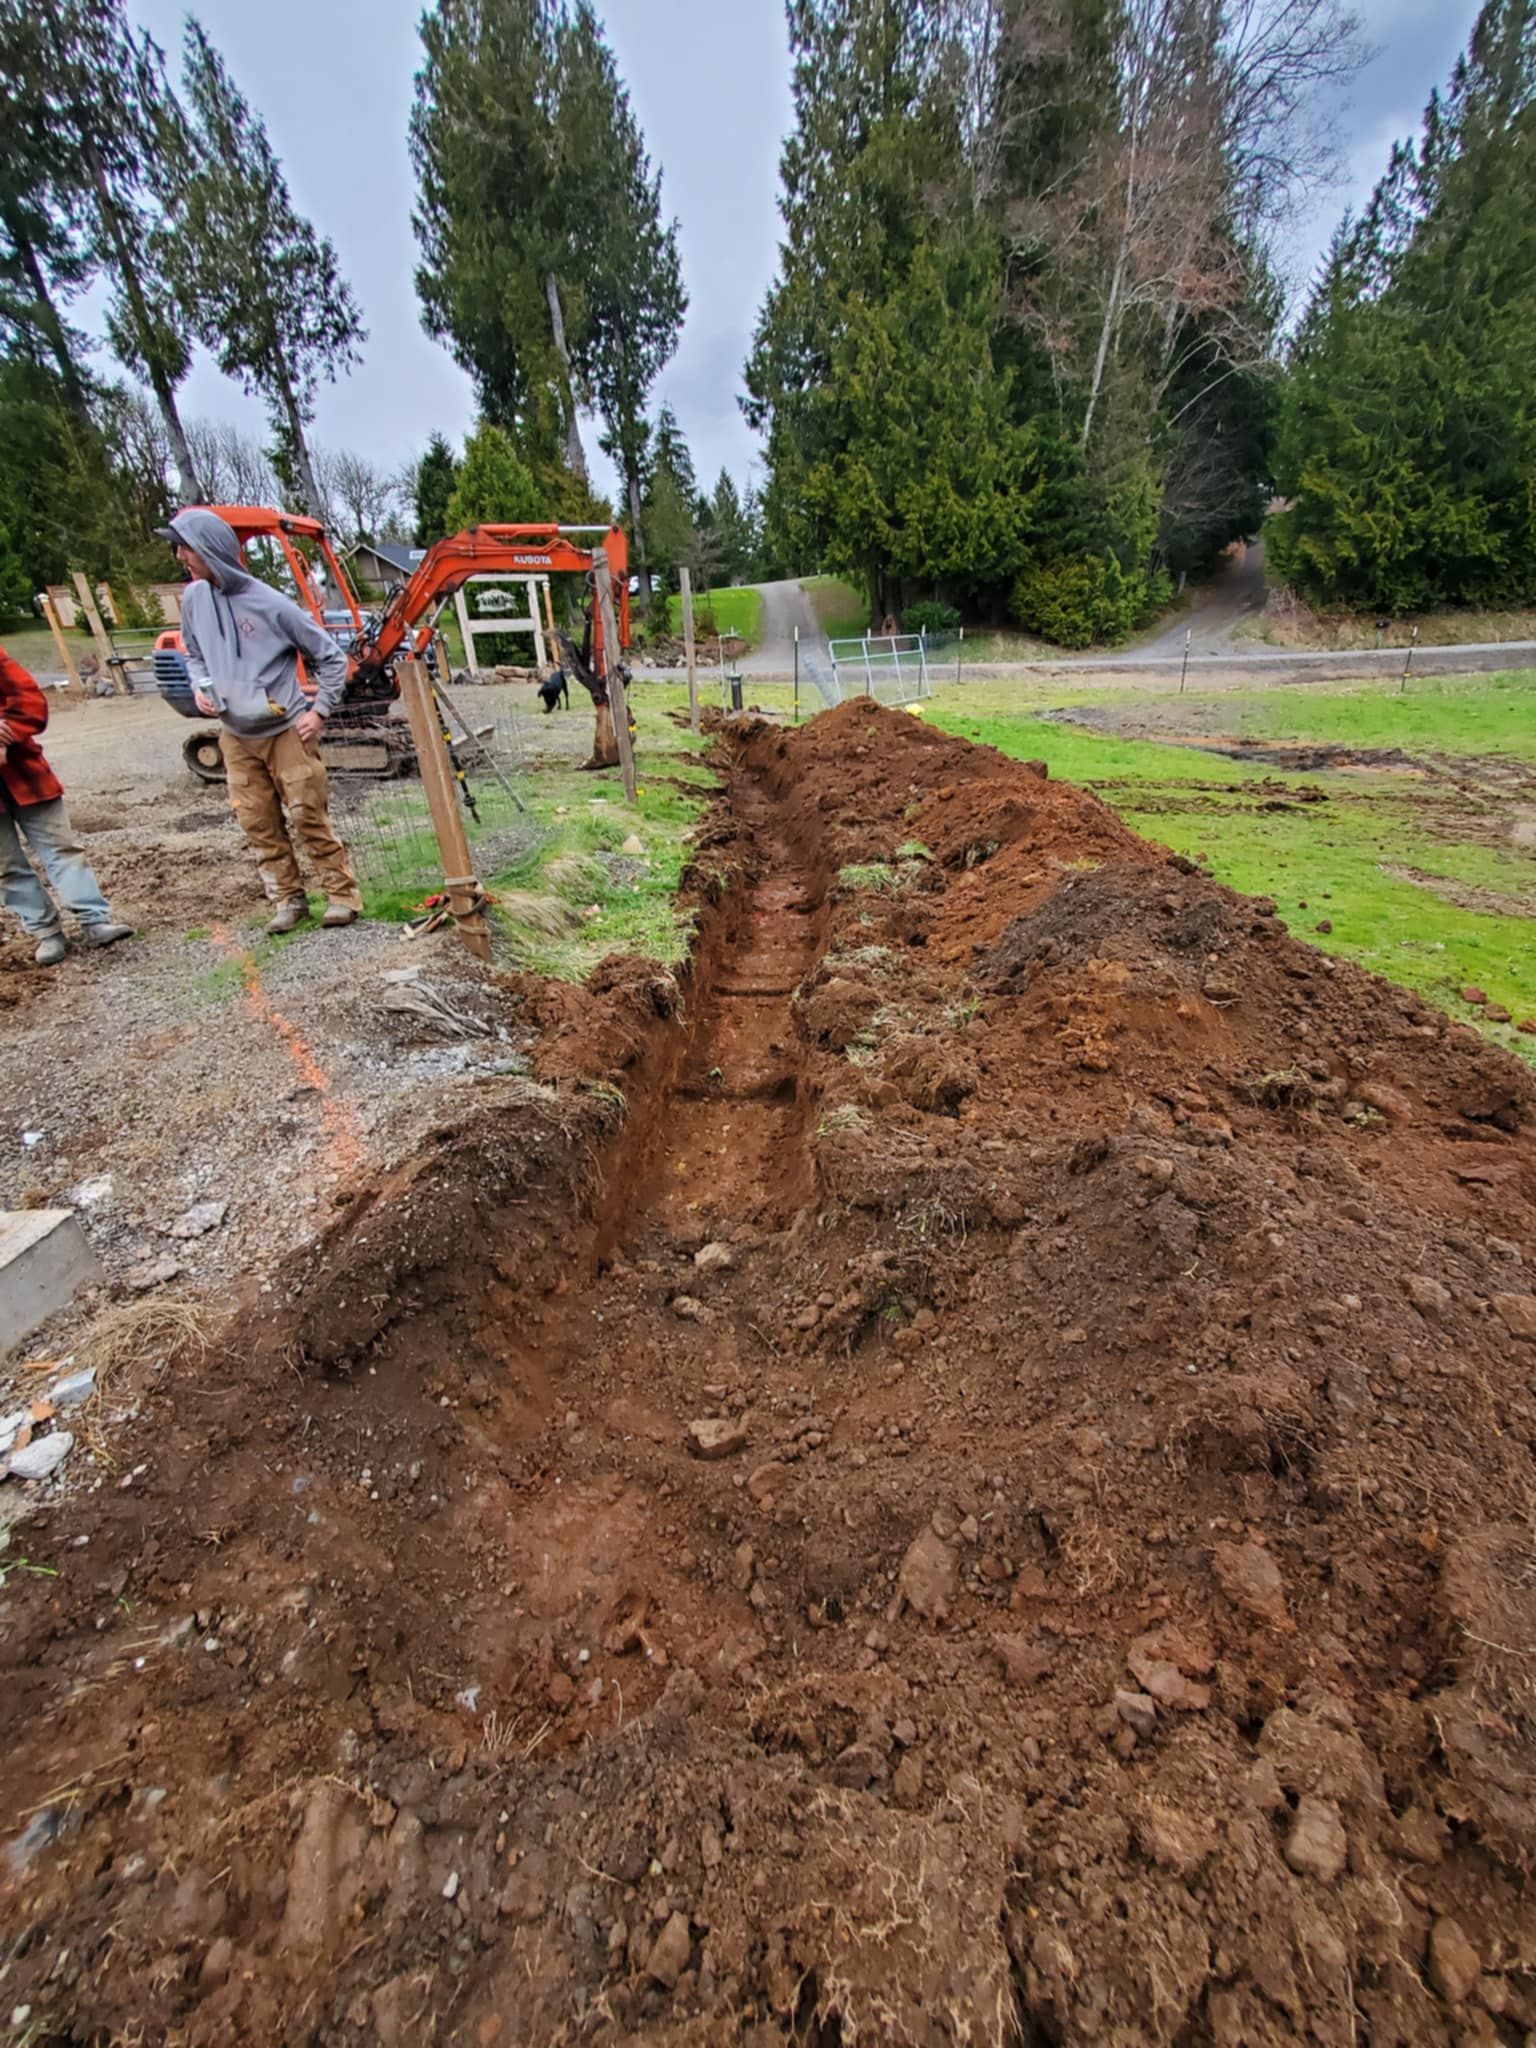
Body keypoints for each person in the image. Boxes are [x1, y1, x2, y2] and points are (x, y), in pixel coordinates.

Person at [158, 507, 363, 934]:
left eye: (186, 548)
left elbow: (329, 657)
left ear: (209, 551)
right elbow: (193, 654)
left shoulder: (271, 604)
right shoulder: (195, 600)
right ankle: (288, 901)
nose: (180, 556)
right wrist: (200, 686)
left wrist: (319, 711)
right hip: (235, 733)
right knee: (258, 820)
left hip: (284, 729)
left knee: (307, 814)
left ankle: (341, 895)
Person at [0, 646, 133, 966]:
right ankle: (46, 933)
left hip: (26, 776)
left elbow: (31, 704)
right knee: (6, 869)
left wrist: (3, 736)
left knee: (62, 849)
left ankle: (93, 920)